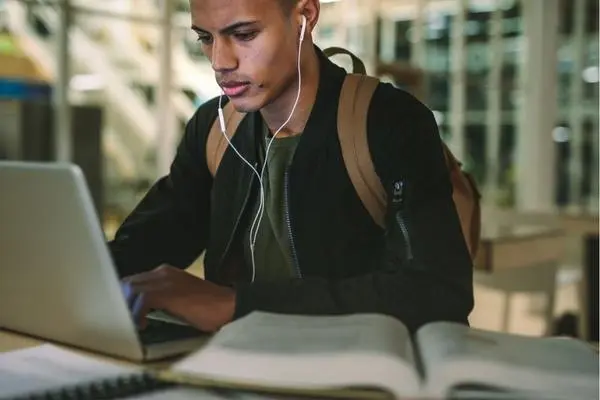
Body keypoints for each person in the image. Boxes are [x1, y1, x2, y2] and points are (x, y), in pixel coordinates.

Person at [110, 0, 474, 334]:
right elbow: (147, 244)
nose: (220, 61)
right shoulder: (213, 128)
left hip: (352, 368)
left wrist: (237, 305)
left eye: (244, 34)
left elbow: (437, 291)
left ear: (305, 15)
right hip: (234, 368)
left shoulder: (388, 122)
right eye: (205, 38)